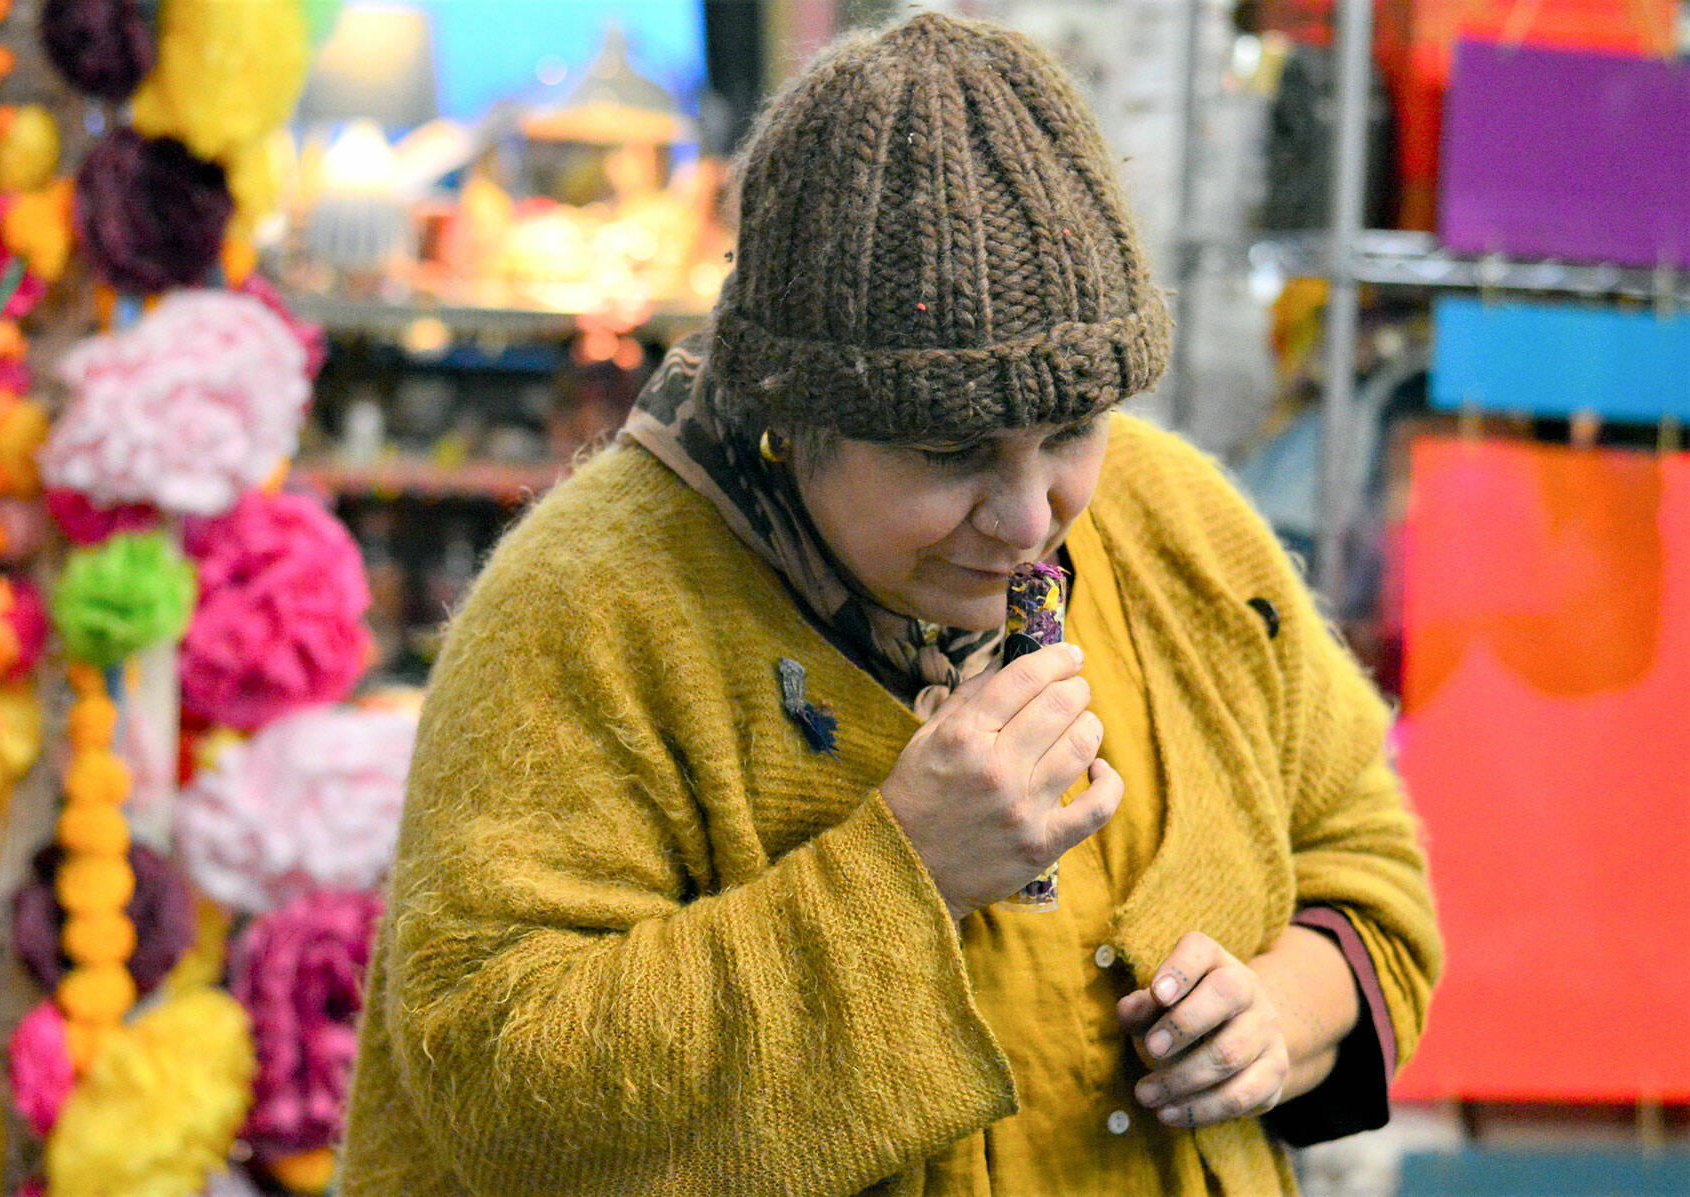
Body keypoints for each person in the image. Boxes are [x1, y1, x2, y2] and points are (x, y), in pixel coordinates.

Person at [338, 13, 1441, 1195]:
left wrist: (1282, 1013)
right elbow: (499, 1081)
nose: (1030, 519)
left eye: (1071, 432)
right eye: (951, 452)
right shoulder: (587, 610)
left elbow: (1366, 867)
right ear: (795, 416)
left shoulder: (1180, 530)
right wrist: (904, 873)